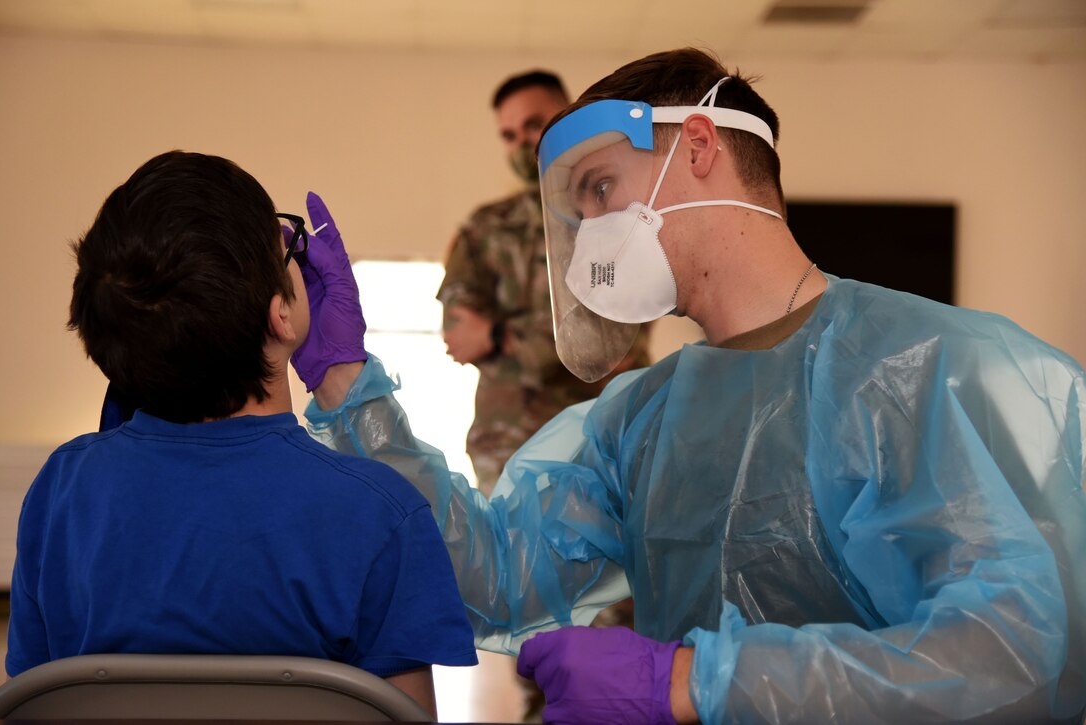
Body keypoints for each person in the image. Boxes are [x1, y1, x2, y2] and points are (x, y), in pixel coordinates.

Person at [294, 49, 1085, 723]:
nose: (592, 237)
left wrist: (691, 681)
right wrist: (347, 385)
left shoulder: (922, 366)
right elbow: (491, 574)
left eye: (602, 189)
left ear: (698, 145)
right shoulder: (640, 420)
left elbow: (1011, 649)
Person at [5, 151, 477, 717]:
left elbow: (38, 702)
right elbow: (404, 717)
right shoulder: (380, 513)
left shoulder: (62, 493)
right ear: (280, 314)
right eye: (289, 250)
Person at [438, 69, 650, 496]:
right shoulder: (484, 228)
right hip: (507, 449)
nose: (522, 144)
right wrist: (548, 338)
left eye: (534, 125)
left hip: (605, 436)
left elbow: (610, 338)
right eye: (509, 135)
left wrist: (498, 334)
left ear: (567, 117)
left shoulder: (619, 215)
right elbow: (459, 335)